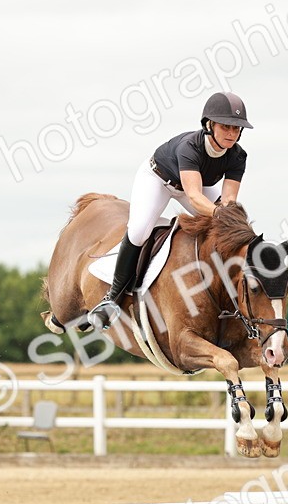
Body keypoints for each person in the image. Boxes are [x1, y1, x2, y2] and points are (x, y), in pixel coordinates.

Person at [88, 91, 253, 330]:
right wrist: (220, 214)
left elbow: (228, 200)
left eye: (236, 129)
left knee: (228, 228)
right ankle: (112, 298)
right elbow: (195, 197)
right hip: (159, 180)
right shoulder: (191, 147)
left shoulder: (238, 156)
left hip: (196, 185)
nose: (232, 134)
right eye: (226, 127)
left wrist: (231, 221)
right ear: (209, 125)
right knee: (138, 231)